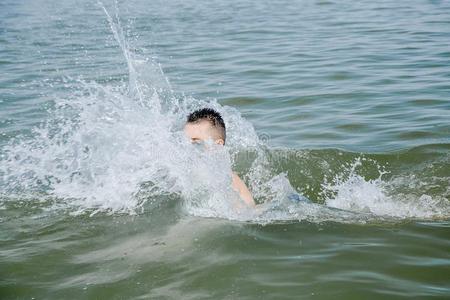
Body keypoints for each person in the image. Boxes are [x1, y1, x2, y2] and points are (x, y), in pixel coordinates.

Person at [184, 108, 256, 207]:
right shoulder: (184, 170)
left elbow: (248, 210)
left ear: (217, 146)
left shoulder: (228, 179)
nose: (188, 147)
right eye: (185, 141)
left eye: (196, 142)